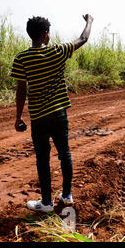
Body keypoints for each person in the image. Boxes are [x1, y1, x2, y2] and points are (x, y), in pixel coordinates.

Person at [10, 14, 94, 213]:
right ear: (46, 34)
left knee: (42, 158)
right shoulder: (58, 51)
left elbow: (21, 90)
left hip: (38, 117)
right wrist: (89, 21)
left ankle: (46, 202)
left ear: (31, 34)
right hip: (59, 113)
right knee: (64, 153)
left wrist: (18, 116)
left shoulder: (22, 59)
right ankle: (66, 196)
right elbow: (83, 39)